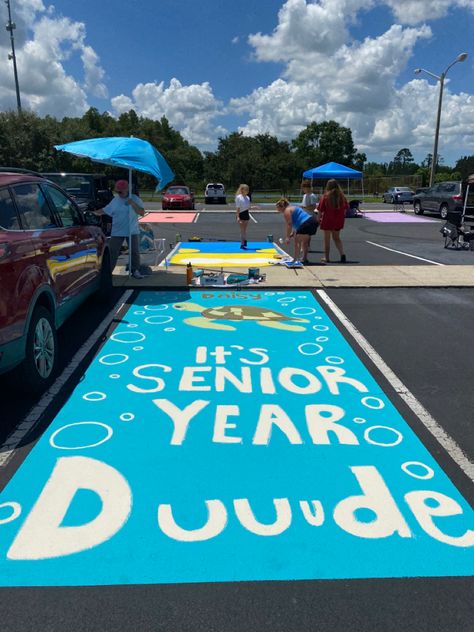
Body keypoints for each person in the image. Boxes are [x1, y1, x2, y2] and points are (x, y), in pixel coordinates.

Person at [95, 179, 147, 279]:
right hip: (117, 231)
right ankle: (108, 272)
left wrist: (132, 203)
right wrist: (94, 213)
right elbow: (105, 210)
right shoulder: (115, 200)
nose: (119, 193)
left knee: (134, 251)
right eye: (117, 191)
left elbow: (141, 212)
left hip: (132, 230)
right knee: (112, 251)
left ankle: (135, 270)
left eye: (121, 191)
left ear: (127, 190)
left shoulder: (135, 199)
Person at [275, 198, 318, 264]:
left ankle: (295, 259)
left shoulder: (286, 211)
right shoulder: (293, 207)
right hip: (313, 221)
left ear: (282, 206)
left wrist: (287, 237)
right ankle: (304, 258)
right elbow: (299, 220)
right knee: (305, 242)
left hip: (306, 223)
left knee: (297, 241)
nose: (278, 210)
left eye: (278, 208)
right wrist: (293, 232)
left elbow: (289, 224)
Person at [317, 179, 348, 264]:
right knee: (336, 238)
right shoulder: (342, 196)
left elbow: (320, 210)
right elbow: (345, 209)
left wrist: (317, 219)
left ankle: (327, 257)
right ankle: (342, 254)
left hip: (327, 220)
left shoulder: (325, 196)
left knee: (327, 240)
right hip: (338, 221)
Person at [235, 183, 252, 249]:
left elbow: (247, 207)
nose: (247, 191)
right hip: (241, 214)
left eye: (248, 190)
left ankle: (244, 240)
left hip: (246, 214)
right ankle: (242, 244)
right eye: (246, 189)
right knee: (242, 230)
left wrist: (253, 207)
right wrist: (238, 217)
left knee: (244, 230)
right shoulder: (238, 197)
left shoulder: (248, 197)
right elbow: (238, 208)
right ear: (242, 190)